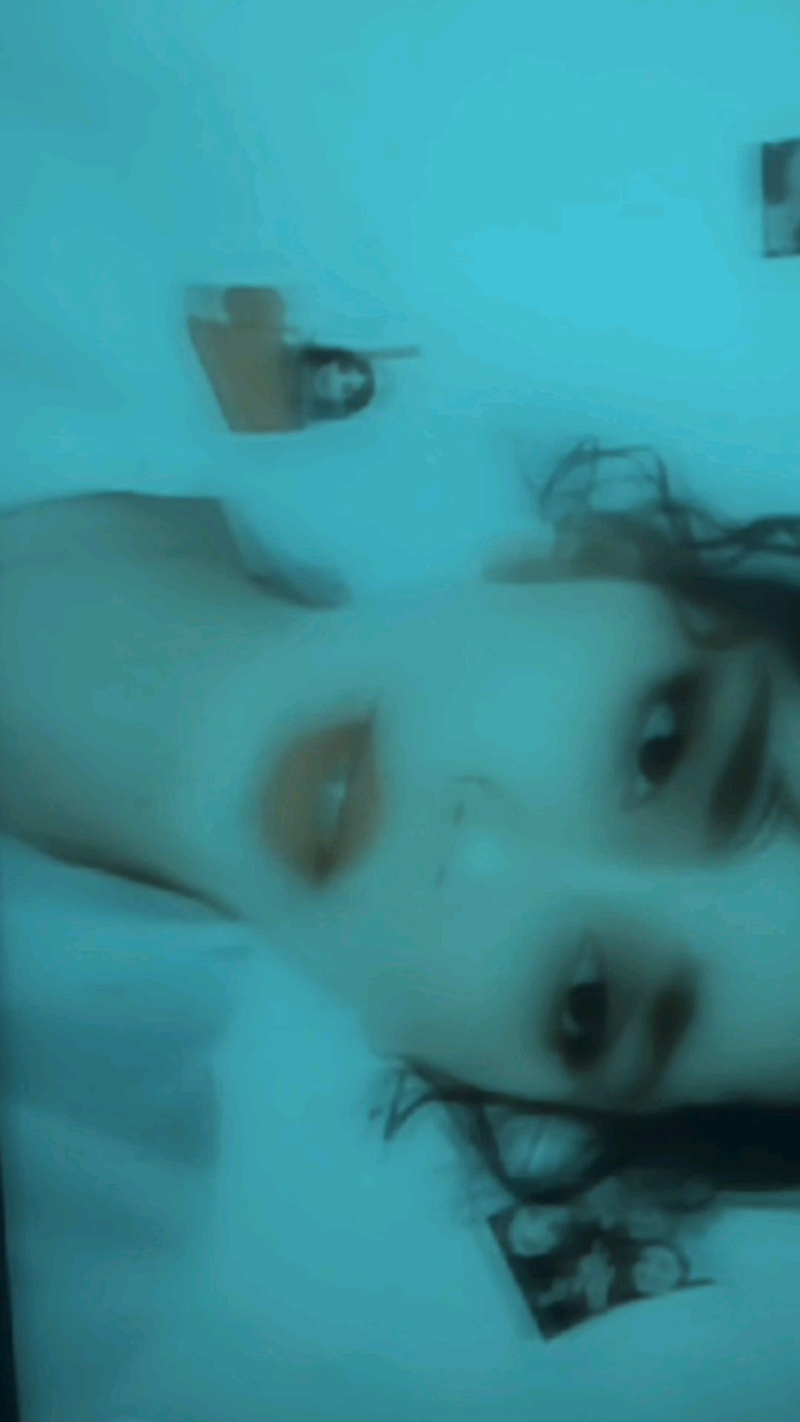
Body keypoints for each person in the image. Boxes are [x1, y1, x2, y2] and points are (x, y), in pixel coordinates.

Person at [6, 436, 800, 1336]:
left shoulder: (78, 1245)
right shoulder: (127, 383)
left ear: (448, 1063)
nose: (485, 859)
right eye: (662, 749)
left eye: (589, 1003)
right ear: (593, 563)